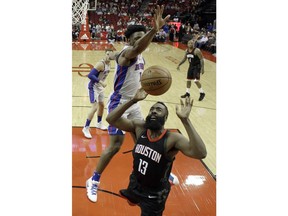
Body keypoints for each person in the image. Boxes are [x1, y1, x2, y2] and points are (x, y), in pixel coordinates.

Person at [85, 5, 178, 203]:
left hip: (134, 103)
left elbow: (134, 63)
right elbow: (136, 49)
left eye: (141, 37)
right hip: (119, 103)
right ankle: (93, 180)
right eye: (136, 38)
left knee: (144, 142)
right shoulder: (128, 52)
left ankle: (160, 172)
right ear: (129, 40)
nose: (139, 41)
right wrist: (154, 30)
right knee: (115, 146)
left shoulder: (140, 55)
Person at [106, 88, 207, 215]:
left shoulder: (172, 138)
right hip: (135, 183)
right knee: (131, 200)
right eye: (152, 109)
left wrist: (185, 121)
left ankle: (167, 177)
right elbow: (111, 119)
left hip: (154, 195)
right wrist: (133, 100)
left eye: (158, 110)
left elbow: (201, 153)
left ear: (165, 117)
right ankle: (134, 195)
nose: (153, 111)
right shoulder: (139, 128)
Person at [82, 49, 116, 139]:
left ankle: (99, 123)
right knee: (95, 107)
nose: (109, 55)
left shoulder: (109, 64)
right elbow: (90, 75)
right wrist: (100, 82)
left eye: (110, 54)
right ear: (105, 54)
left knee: (102, 105)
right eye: (107, 54)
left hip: (99, 87)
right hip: (93, 87)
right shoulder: (101, 64)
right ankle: (85, 128)